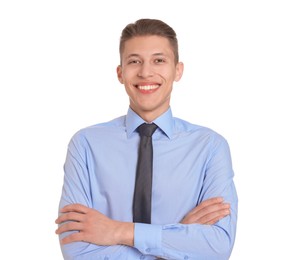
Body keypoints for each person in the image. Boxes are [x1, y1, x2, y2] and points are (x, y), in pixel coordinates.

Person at [55, 18, 238, 259]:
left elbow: (217, 247)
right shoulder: (86, 144)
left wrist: (118, 231)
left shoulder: (210, 147)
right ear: (120, 73)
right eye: (134, 61)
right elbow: (75, 249)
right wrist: (178, 237)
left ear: (178, 70)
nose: (145, 72)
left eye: (159, 60)